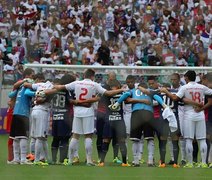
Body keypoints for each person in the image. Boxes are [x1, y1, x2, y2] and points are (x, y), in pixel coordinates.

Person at [54, 69, 124, 166]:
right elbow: (108, 93)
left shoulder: (76, 83)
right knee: (88, 135)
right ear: (92, 76)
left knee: (75, 135)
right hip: (88, 111)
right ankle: (89, 160)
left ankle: (70, 160)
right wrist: (121, 89)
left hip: (77, 111)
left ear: (84, 75)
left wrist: (48, 86)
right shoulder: (94, 84)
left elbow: (61, 87)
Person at [161, 70, 212, 168]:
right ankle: (204, 163)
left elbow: (175, 98)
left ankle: (189, 163)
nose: (184, 79)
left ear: (187, 78)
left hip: (189, 114)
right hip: (200, 114)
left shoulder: (185, 87)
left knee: (188, 139)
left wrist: (166, 92)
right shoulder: (202, 87)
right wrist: (201, 106)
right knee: (201, 139)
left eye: (185, 77)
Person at [112, 81, 165, 167]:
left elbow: (125, 95)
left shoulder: (133, 90)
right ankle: (150, 160)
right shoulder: (149, 91)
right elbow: (156, 97)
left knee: (135, 139)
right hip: (148, 113)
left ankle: (135, 160)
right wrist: (163, 104)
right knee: (150, 138)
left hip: (136, 113)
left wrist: (117, 103)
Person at [98, 79, 130, 167]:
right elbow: (128, 97)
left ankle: (123, 162)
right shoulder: (119, 94)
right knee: (107, 140)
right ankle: (102, 161)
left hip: (112, 120)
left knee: (119, 141)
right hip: (114, 120)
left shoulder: (107, 95)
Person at [24, 73, 54, 165]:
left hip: (34, 111)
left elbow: (26, 85)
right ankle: (37, 160)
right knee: (40, 137)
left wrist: (36, 94)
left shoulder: (38, 85)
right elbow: (52, 91)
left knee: (39, 137)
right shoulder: (49, 85)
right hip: (42, 111)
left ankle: (45, 158)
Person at [8, 68, 35, 165]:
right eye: (32, 75)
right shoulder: (28, 85)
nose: (33, 77)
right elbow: (28, 93)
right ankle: (23, 159)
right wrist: (37, 93)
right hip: (23, 113)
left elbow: (10, 94)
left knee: (15, 137)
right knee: (23, 137)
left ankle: (16, 159)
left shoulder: (20, 87)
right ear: (28, 76)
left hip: (15, 113)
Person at [96, 71, 122, 164]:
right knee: (100, 136)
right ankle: (100, 157)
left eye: (114, 77)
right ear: (108, 77)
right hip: (101, 114)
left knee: (116, 136)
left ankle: (115, 157)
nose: (112, 79)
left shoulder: (118, 85)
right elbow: (98, 97)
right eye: (111, 77)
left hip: (112, 114)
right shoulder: (102, 86)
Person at [50, 74, 76, 164]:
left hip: (55, 116)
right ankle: (62, 159)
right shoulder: (67, 90)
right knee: (64, 138)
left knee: (55, 138)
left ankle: (53, 159)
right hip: (65, 117)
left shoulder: (54, 90)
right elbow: (71, 101)